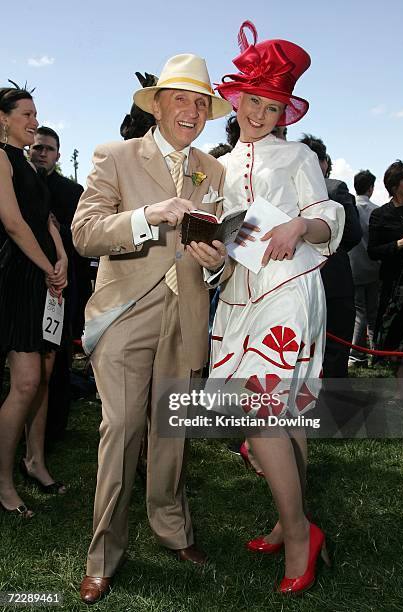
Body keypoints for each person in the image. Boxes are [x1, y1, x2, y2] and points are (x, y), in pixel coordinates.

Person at [71, 53, 231, 604]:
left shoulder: (216, 169)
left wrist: (215, 260)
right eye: (180, 99)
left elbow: (223, 257)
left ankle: (172, 529)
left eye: (200, 103)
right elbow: (85, 234)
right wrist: (147, 217)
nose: (190, 111)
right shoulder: (114, 156)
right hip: (123, 316)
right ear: (157, 105)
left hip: (185, 317)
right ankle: (103, 555)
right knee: (121, 433)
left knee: (172, 433)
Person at [206, 21, 344, 595]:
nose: (259, 113)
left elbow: (330, 217)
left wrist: (298, 223)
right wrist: (208, 251)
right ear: (236, 99)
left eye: (272, 104)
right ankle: (290, 520)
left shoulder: (298, 155)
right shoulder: (216, 163)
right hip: (239, 292)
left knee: (265, 413)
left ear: (285, 108)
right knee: (282, 417)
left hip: (290, 286)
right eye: (252, 102)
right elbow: (226, 242)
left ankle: (297, 536)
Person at [0, 86, 68, 518]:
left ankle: (35, 461)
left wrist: (60, 258)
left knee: (45, 375)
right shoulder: (1, 159)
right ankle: (3, 483)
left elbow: (44, 219)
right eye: (26, 113)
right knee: (24, 382)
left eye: (36, 113)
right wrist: (47, 266)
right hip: (19, 278)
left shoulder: (29, 167)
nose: (33, 121)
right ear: (3, 118)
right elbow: (12, 223)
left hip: (48, 278)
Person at [30, 126, 91, 441]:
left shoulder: (72, 191)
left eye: (48, 149)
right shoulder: (17, 183)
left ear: (58, 154)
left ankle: (53, 428)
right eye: (37, 147)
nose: (41, 153)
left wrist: (57, 230)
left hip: (62, 287)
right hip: (25, 285)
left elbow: (83, 241)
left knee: (58, 360)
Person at [300, 134, 362, 377]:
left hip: (296, 280)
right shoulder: (335, 187)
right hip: (333, 279)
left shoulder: (283, 189)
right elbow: (353, 233)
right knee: (335, 355)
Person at [368, 160, 403, 404]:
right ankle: (401, 389)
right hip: (396, 286)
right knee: (398, 338)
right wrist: (399, 244)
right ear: (395, 185)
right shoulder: (380, 215)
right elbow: (373, 251)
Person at [348, 170, 380, 366]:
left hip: (353, 266)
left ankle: (356, 354)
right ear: (371, 188)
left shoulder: (351, 208)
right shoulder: (376, 210)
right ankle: (375, 352)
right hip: (373, 267)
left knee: (358, 312)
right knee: (373, 313)